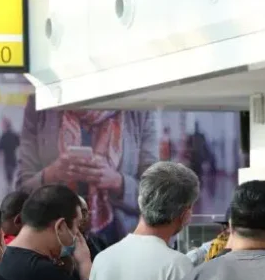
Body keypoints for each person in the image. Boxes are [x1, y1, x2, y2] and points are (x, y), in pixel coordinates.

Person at [15, 95, 158, 245]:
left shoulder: (138, 107)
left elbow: (154, 196)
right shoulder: (41, 103)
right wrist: (52, 174)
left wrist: (117, 182)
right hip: (55, 241)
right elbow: (22, 192)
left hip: (120, 241)